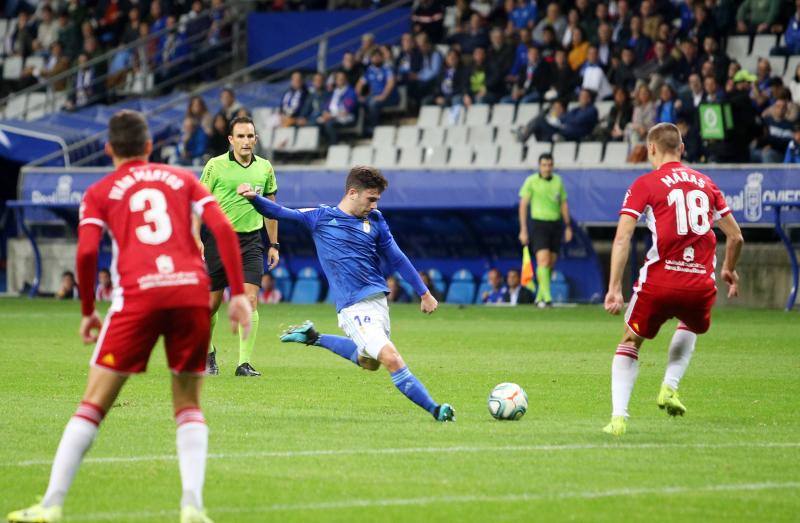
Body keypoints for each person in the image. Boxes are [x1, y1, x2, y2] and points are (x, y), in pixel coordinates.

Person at [6, 110, 252, 523]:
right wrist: (239, 295)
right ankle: (192, 506)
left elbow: (86, 253)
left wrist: (87, 311)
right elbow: (224, 230)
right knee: (189, 404)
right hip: (191, 294)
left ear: (108, 149)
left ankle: (50, 505)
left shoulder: (101, 190)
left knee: (94, 403)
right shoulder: (183, 179)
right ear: (150, 147)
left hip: (139, 296)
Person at [242, 166, 455, 422]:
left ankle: (314, 337)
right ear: (353, 192)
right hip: (354, 308)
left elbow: (397, 258)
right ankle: (436, 410)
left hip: (378, 304)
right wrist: (255, 199)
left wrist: (424, 293)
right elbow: (279, 212)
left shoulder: (376, 221)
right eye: (371, 199)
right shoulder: (320, 217)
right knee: (391, 358)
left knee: (370, 362)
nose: (375, 205)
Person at [602, 122, 743, 436]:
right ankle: (669, 386)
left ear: (651, 149)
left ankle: (619, 419)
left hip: (660, 283)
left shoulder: (646, 183)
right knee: (691, 323)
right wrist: (729, 270)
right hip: (700, 285)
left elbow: (623, 238)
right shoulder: (707, 184)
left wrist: (614, 288)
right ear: (681, 148)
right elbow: (735, 237)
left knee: (630, 341)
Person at [197, 116, 279, 377]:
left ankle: (244, 363)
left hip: (250, 241)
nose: (246, 141)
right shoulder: (215, 166)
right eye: (241, 136)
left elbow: (271, 209)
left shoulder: (265, 168)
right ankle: (208, 354)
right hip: (217, 239)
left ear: (256, 139)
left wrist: (274, 244)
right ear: (231, 140)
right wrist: (196, 238)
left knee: (250, 300)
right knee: (211, 304)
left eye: (250, 136)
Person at [518, 153, 573, 307]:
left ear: (552, 166)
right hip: (538, 223)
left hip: (555, 224)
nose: (547, 168)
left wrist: (568, 226)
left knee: (551, 262)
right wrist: (523, 229)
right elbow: (523, 205)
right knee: (543, 259)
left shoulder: (558, 181)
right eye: (544, 165)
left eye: (549, 165)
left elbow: (563, 203)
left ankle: (539, 296)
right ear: (539, 166)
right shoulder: (531, 181)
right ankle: (548, 298)